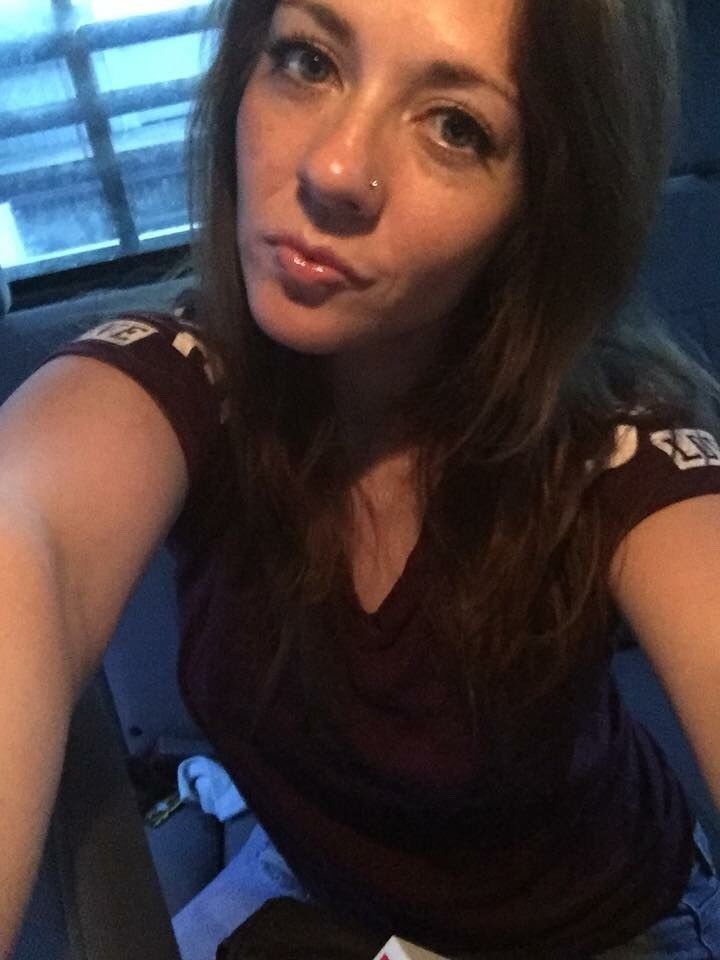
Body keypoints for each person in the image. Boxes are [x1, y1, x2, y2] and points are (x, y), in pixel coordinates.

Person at [2, 0, 720, 957]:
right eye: (308, 60)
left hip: (603, 927)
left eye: (456, 126)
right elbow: (26, 529)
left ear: (540, 204)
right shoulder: (188, 376)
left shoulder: (611, 442)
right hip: (326, 894)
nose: (334, 168)